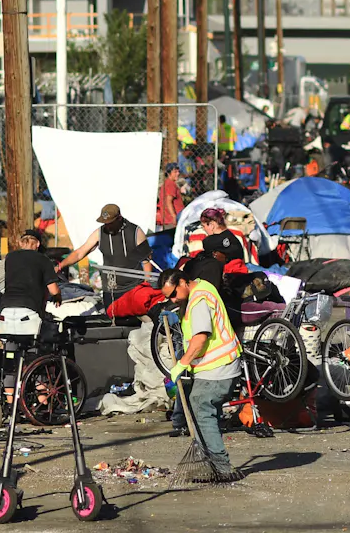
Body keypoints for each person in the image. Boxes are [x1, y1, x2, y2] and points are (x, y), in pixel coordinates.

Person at [160, 269, 243, 481]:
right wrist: (178, 316)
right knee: (201, 408)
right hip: (219, 365)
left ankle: (222, 467)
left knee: (201, 406)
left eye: (173, 294)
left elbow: (200, 339)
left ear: (182, 282)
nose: (172, 300)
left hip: (219, 365)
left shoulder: (198, 301)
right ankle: (210, 462)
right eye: (169, 297)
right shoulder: (201, 287)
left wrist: (182, 364)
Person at [57, 204, 152, 281]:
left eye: (111, 223)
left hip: (134, 286)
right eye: (105, 223)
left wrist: (147, 284)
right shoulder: (99, 233)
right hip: (111, 286)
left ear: (119, 218)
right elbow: (79, 253)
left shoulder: (135, 232)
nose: (107, 226)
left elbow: (146, 261)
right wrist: (60, 266)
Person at [1, 229, 62, 314]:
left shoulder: (9, 257)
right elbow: (53, 290)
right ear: (38, 244)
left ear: (20, 243)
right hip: (29, 310)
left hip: (5, 309)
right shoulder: (43, 259)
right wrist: (58, 297)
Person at [157, 162, 185, 228]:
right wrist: (174, 216)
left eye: (178, 171)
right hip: (172, 220)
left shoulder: (167, 183)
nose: (178, 173)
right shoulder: (170, 184)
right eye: (175, 172)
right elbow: (168, 201)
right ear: (169, 173)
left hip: (168, 220)